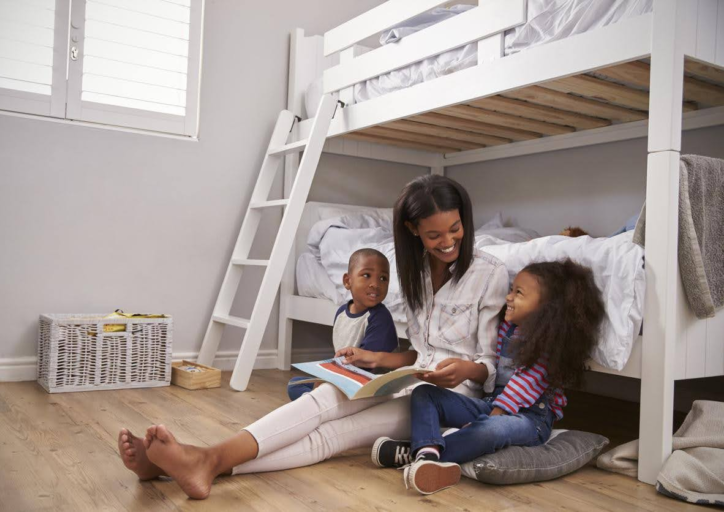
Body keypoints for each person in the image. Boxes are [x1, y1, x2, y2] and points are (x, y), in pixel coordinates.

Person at [117, 175, 508, 499]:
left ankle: (202, 462)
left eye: (455, 229)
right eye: (433, 234)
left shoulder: (490, 273)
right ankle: (194, 462)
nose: (447, 242)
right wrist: (378, 361)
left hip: (446, 398)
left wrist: (465, 370)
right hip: (408, 378)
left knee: (333, 434)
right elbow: (420, 352)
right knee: (324, 397)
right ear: (413, 231)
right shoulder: (415, 271)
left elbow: (488, 367)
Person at [373, 259, 606, 495]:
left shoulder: (549, 345)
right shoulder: (508, 329)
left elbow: (522, 383)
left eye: (518, 293)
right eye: (511, 289)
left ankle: (421, 454)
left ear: (544, 307)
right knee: (424, 394)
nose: (508, 297)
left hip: (531, 419)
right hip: (493, 404)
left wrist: (490, 418)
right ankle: (426, 455)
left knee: (490, 431)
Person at [287, 247, 399, 400]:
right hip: (345, 378)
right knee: (295, 384)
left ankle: (317, 404)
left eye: (383, 278)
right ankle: (318, 402)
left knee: (316, 391)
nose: (375, 284)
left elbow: (363, 365)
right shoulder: (341, 312)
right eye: (366, 275)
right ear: (348, 281)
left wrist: (328, 381)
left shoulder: (380, 318)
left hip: (366, 387)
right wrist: (324, 379)